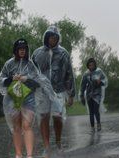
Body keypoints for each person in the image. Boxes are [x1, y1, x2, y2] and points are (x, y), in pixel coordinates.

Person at [32, 25, 75, 153]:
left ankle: (58, 141)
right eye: (50, 37)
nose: (52, 39)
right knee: (44, 116)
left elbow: (69, 74)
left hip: (58, 90)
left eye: (55, 37)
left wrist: (71, 94)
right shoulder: (37, 53)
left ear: (58, 39)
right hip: (42, 91)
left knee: (57, 116)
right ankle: (46, 145)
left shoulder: (63, 53)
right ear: (46, 37)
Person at [0, 38, 39, 158]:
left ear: (27, 50)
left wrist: (27, 79)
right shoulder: (9, 64)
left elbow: (38, 82)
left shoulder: (30, 65)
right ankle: (18, 154)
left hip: (28, 99)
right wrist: (11, 79)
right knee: (17, 126)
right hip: (12, 99)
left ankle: (29, 155)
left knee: (26, 125)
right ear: (15, 50)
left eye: (24, 49)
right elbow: (1, 81)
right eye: (20, 49)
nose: (22, 51)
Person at [80, 58, 108, 132]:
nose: (91, 66)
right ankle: (92, 127)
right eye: (89, 65)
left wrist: (100, 81)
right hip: (89, 95)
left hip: (97, 94)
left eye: (92, 65)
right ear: (88, 66)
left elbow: (105, 80)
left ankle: (98, 123)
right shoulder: (86, 74)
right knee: (91, 112)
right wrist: (81, 95)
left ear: (95, 65)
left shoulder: (99, 71)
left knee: (96, 110)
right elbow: (82, 85)